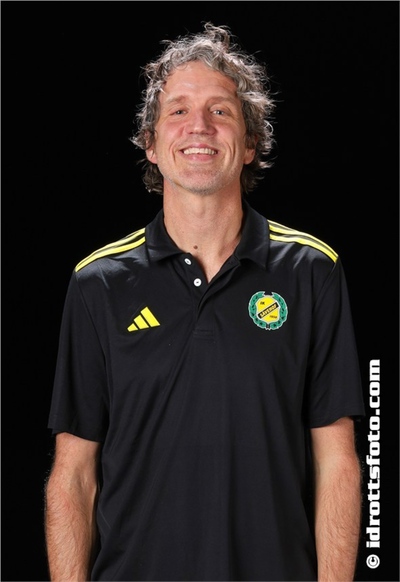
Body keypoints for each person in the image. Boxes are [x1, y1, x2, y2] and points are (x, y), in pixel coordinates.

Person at [44, 22, 365, 582]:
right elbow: (74, 474)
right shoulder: (98, 283)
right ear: (151, 143)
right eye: (178, 111)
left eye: (220, 110)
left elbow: (338, 461)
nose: (199, 126)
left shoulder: (312, 271)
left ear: (249, 144)